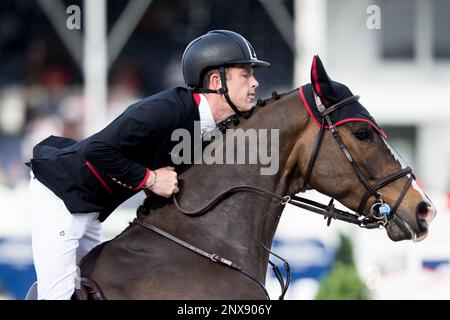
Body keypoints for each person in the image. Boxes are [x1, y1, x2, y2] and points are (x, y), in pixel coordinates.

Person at [26, 30, 270, 300]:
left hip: (91, 207)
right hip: (60, 196)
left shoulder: (209, 127)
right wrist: (150, 179)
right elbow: (98, 150)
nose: (255, 83)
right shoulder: (164, 110)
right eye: (246, 75)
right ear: (216, 81)